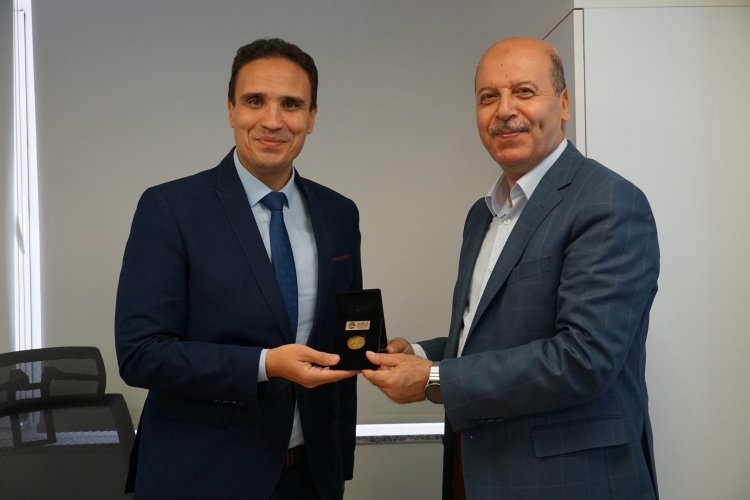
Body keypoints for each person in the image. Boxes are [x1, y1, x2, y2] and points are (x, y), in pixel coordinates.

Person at [363, 36, 660, 499]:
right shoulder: (482, 214)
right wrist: (420, 355)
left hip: (571, 483)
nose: (504, 110)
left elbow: (584, 359)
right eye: (488, 97)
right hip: (475, 473)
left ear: (563, 104)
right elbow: (495, 336)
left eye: (524, 92)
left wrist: (434, 380)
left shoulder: (608, 202)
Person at [115, 38, 361, 499]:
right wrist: (265, 364)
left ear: (311, 117)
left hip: (310, 477)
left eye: (291, 104)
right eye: (255, 101)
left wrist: (339, 466)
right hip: (202, 477)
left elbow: (342, 337)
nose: (273, 120)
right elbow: (141, 353)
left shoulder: (339, 214)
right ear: (231, 110)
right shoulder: (171, 209)